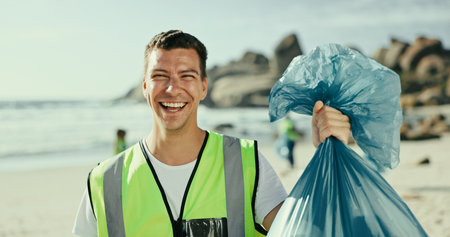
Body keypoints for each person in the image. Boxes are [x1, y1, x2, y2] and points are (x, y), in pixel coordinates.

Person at [72, 30, 351, 237]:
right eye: (160, 76)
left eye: (187, 76)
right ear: (145, 86)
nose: (173, 88)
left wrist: (329, 154)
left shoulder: (247, 164)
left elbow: (309, 231)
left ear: (204, 87)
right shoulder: (103, 182)